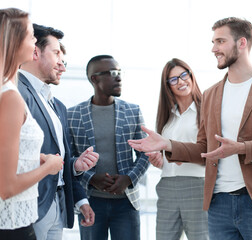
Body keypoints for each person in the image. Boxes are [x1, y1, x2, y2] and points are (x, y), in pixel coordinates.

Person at [129, 17, 252, 239]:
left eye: (220, 41)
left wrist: (241, 148)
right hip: (219, 204)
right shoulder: (211, 94)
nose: (214, 49)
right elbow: (204, 149)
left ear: (241, 43)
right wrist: (168, 144)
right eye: (214, 42)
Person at [17, 24, 99, 240]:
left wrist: (75, 166)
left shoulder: (58, 106)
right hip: (29, 206)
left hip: (58, 205)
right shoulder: (14, 93)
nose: (62, 66)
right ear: (35, 52)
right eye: (56, 55)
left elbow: (59, 158)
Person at [67, 55, 150, 240]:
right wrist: (91, 178)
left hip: (126, 203)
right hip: (90, 202)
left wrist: (128, 178)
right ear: (94, 78)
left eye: (119, 72)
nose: (119, 77)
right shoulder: (72, 115)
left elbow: (145, 154)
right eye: (112, 73)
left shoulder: (133, 111)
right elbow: (69, 158)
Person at [0, 8, 63, 239]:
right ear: (13, 41)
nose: (34, 41)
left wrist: (37, 157)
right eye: (30, 35)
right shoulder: (9, 96)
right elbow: (6, 188)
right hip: (12, 226)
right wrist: (49, 167)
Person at [146, 58, 208, 240]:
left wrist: (181, 153)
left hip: (196, 185)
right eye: (174, 79)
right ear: (168, 86)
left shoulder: (205, 110)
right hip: (167, 186)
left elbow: (209, 150)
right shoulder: (168, 116)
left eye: (183, 75)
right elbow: (167, 153)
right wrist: (158, 159)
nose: (181, 82)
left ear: (191, 75)